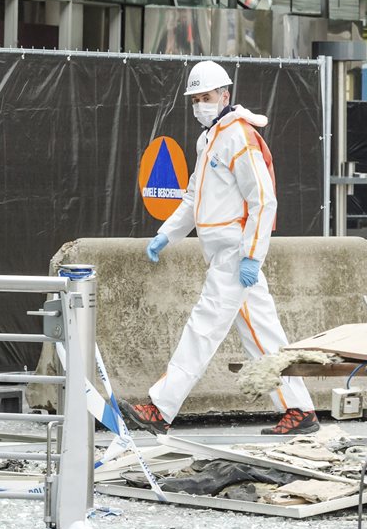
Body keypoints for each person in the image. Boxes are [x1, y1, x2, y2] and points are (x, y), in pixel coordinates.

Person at [118, 60, 318, 436]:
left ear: (225, 95)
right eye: (195, 99)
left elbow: (264, 200)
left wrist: (251, 257)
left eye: (205, 97)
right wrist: (168, 234)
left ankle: (160, 408)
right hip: (230, 255)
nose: (199, 104)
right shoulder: (211, 137)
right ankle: (300, 410)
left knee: (202, 329)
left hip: (233, 256)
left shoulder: (237, 137)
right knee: (264, 337)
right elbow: (195, 197)